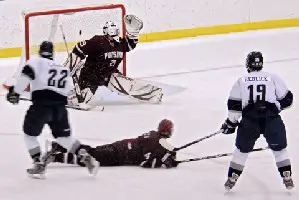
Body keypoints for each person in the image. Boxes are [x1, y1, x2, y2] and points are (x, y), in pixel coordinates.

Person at [6, 41, 98, 178]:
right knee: (63, 137)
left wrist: (15, 93)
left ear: (40, 52)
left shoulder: (36, 62)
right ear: (52, 54)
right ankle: (85, 156)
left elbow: (25, 78)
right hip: (60, 109)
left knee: (29, 135)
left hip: (41, 107)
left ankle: (38, 163)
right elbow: (66, 92)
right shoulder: (63, 69)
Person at [220, 51, 294, 190]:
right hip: (271, 119)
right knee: (279, 150)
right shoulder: (272, 77)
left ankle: (232, 177)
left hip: (250, 121)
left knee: (241, 151)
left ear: (248, 64)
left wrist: (231, 123)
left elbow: (234, 106)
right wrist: (276, 106)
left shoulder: (241, 80)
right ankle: (286, 175)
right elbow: (288, 99)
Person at [65, 14, 163, 109]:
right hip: (90, 76)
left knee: (128, 86)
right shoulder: (98, 42)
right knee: (83, 99)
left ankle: (154, 94)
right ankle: (66, 98)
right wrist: (69, 66)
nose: (114, 33)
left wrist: (134, 32)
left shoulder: (120, 43)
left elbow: (130, 44)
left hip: (108, 74)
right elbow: (80, 48)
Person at [44, 119, 178, 169]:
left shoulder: (153, 134)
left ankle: (60, 147)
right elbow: (146, 163)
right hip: (117, 155)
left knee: (91, 152)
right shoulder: (156, 142)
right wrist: (164, 160)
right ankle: (56, 156)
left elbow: (158, 149)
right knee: (89, 158)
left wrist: (166, 154)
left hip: (118, 147)